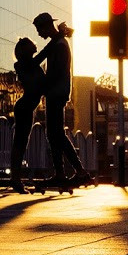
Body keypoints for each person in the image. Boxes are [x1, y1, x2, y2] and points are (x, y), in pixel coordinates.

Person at [33, 12, 92, 187]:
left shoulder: (58, 45)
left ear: (45, 26)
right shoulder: (57, 43)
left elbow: (55, 72)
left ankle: (76, 172)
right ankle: (66, 172)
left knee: (55, 133)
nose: (38, 34)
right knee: (54, 133)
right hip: (57, 92)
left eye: (39, 29)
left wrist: (42, 85)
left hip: (56, 93)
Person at [8, 36, 50, 193]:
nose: (35, 45)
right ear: (25, 49)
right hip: (24, 107)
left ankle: (16, 178)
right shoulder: (24, 65)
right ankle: (15, 178)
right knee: (19, 142)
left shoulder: (31, 65)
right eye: (31, 44)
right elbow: (37, 84)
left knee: (22, 142)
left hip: (28, 107)